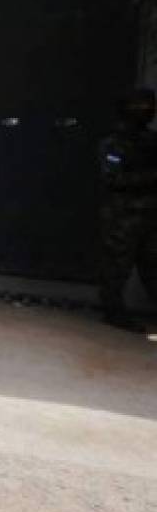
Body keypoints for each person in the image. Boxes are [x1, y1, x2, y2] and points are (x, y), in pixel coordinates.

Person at [98, 87, 157, 332]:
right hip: (123, 216)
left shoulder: (153, 142)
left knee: (152, 267)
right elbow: (113, 179)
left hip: (151, 215)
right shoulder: (114, 143)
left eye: (149, 107)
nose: (146, 112)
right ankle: (113, 312)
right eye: (139, 107)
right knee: (117, 266)